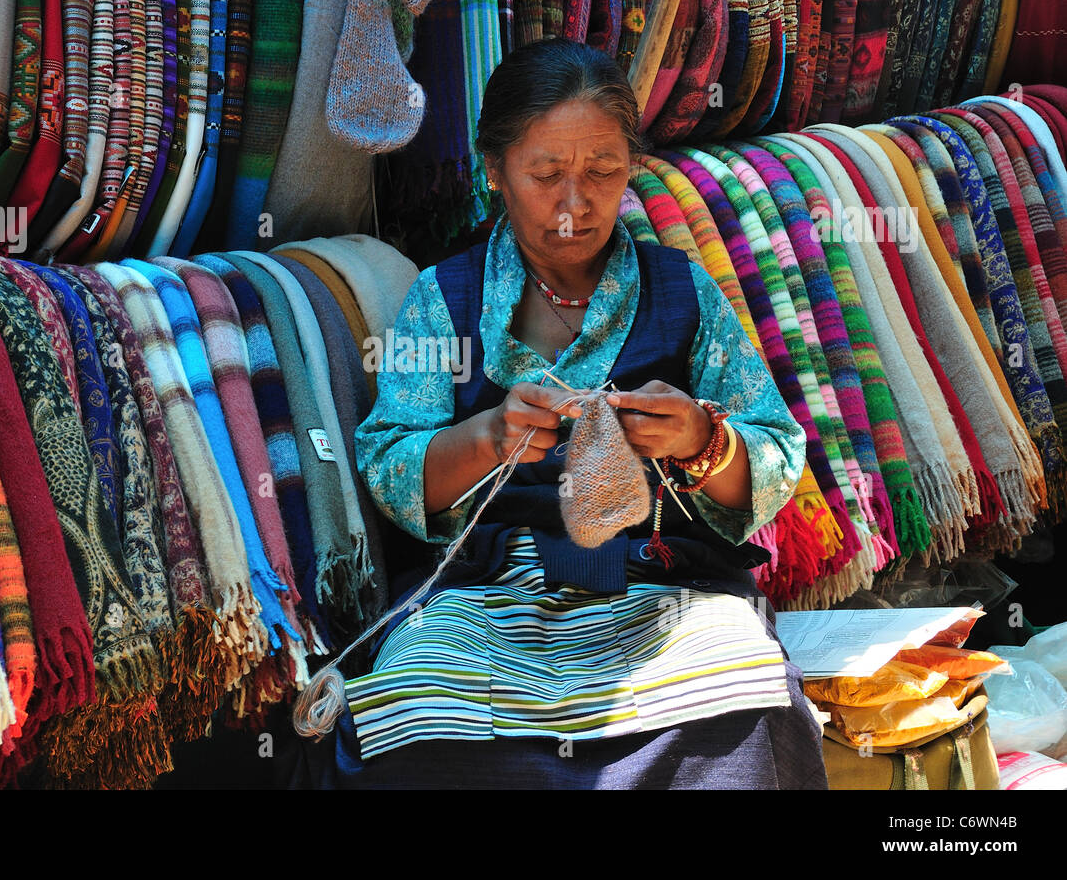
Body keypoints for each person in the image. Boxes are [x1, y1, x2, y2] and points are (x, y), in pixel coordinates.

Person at [301, 39, 828, 789]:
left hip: (659, 588)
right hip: (486, 596)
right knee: (410, 714)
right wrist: (488, 437)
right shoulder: (442, 301)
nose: (575, 204)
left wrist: (704, 441)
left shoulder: (683, 293)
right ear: (494, 171)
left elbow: (774, 453)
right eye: (546, 174)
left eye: (603, 172)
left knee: (744, 702)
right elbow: (390, 467)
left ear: (632, 169)